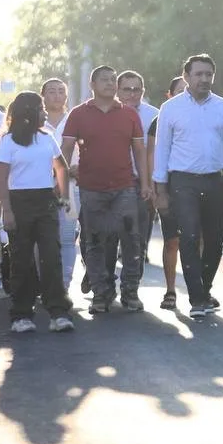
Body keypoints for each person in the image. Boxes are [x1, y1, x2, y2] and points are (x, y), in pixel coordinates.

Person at [152, 54, 223, 319]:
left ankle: (204, 288)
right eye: (198, 74)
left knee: (215, 241)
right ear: (186, 77)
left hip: (214, 179)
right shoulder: (170, 109)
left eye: (208, 74)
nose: (204, 79)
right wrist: (161, 191)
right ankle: (196, 298)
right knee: (189, 236)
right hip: (182, 181)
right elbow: (162, 150)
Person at [62, 65, 148, 315]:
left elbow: (139, 152)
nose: (110, 84)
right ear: (93, 85)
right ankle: (102, 293)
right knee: (95, 242)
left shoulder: (129, 114)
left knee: (132, 241)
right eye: (104, 80)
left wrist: (145, 184)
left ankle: (130, 292)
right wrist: (66, 174)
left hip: (125, 187)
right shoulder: (79, 114)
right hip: (91, 188)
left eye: (113, 80)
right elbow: (65, 149)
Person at [0, 92, 75, 333]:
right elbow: (0, 179)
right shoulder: (7, 142)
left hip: (45, 202)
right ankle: (21, 314)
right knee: (22, 260)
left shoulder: (47, 138)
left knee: (51, 256)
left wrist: (63, 195)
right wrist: (6, 210)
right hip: (19, 202)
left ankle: (58, 312)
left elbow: (61, 167)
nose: (44, 113)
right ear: (27, 113)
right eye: (40, 109)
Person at [150, 76, 187, 309]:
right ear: (169, 95)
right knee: (172, 240)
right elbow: (154, 156)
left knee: (199, 238)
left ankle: (201, 287)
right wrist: (157, 189)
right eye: (180, 90)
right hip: (169, 185)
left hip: (199, 184)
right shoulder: (159, 120)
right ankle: (171, 290)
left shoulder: (204, 115)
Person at [118, 69, 159, 267]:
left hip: (143, 183)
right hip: (112, 183)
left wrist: (153, 184)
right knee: (108, 236)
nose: (132, 94)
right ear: (118, 91)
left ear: (143, 91)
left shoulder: (155, 115)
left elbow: (158, 151)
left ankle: (131, 287)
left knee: (139, 237)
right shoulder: (108, 113)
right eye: (127, 89)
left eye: (137, 89)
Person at [41, 78, 79, 290]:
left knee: (66, 237)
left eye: (61, 91)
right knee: (44, 239)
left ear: (66, 96)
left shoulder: (74, 119)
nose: (56, 95)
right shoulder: (36, 123)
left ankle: (64, 284)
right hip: (40, 187)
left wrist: (76, 169)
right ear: (43, 96)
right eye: (51, 91)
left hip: (71, 187)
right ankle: (45, 284)